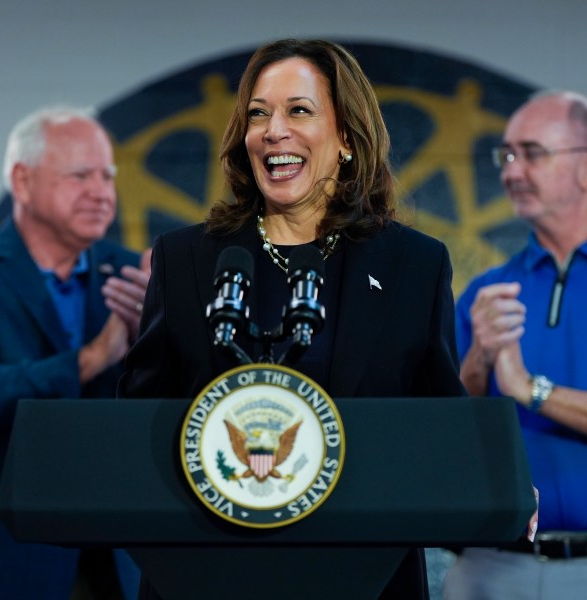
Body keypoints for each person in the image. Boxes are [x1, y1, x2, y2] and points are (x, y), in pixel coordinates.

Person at [119, 38, 467, 599]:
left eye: (298, 111)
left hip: (362, 575)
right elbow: (136, 422)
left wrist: (492, 477)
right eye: (259, 114)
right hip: (208, 574)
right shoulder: (185, 258)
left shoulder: (414, 264)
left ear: (348, 139)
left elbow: (442, 421)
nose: (273, 131)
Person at [0, 106, 151, 599]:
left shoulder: (137, 278)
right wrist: (90, 359)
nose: (103, 194)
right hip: (9, 548)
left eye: (108, 176)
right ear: (22, 180)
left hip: (123, 547)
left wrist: (156, 344)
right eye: (81, 175)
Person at [445, 91, 587, 599]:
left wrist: (530, 389)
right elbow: (450, 433)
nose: (511, 172)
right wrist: (480, 360)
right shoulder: (487, 294)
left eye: (532, 153)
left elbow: (521, 389)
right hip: (493, 569)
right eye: (505, 155)